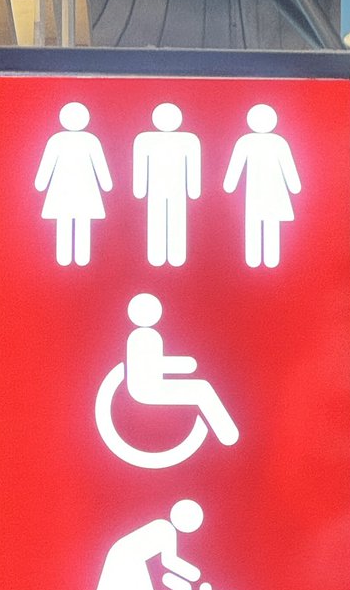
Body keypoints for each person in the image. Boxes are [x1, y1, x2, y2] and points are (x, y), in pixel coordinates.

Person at [124, 293, 238, 446]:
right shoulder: (144, 337)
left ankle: (227, 434)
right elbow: (151, 367)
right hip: (148, 389)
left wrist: (185, 365)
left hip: (154, 384)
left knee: (201, 388)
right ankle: (227, 434)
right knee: (201, 389)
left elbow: (155, 365)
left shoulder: (145, 336)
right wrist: (187, 364)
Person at [223, 104, 301, 268]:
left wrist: (230, 185)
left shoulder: (267, 142)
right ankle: (256, 259)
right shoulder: (257, 142)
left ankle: (264, 259)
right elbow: (236, 165)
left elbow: (288, 166)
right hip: (258, 192)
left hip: (267, 191)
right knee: (257, 222)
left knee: (264, 222)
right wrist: (294, 186)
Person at [34, 102, 113, 265]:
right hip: (71, 189)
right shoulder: (67, 140)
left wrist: (41, 183)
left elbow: (99, 164)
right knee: (69, 221)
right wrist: (106, 184)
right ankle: (69, 258)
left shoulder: (79, 140)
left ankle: (79, 258)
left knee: (78, 221)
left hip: (76, 189)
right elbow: (48, 163)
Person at [133, 103, 201, 266]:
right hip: (157, 188)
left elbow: (193, 165)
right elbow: (140, 165)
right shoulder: (145, 140)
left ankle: (176, 255)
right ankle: (157, 255)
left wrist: (194, 189)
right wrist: (139, 189)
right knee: (157, 218)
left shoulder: (189, 140)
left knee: (176, 218)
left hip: (176, 189)